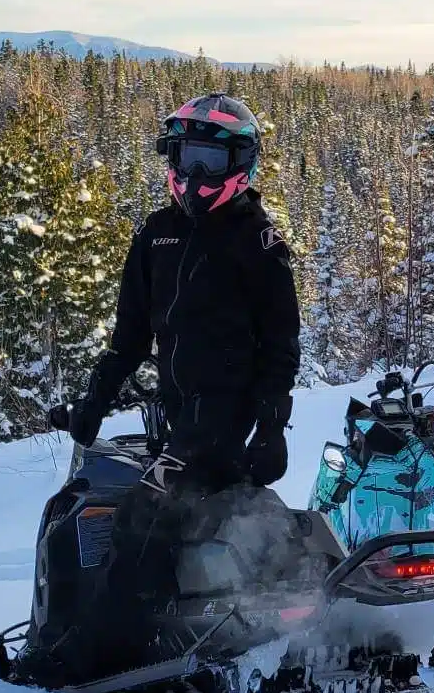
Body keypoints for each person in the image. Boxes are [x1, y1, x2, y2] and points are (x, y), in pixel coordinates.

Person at [66, 93, 300, 490]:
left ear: (240, 161)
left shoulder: (258, 243)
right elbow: (130, 336)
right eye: (186, 155)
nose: (195, 172)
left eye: (209, 160)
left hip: (223, 417)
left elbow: (281, 344)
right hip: (174, 408)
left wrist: (271, 428)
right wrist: (95, 401)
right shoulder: (156, 234)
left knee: (141, 525)